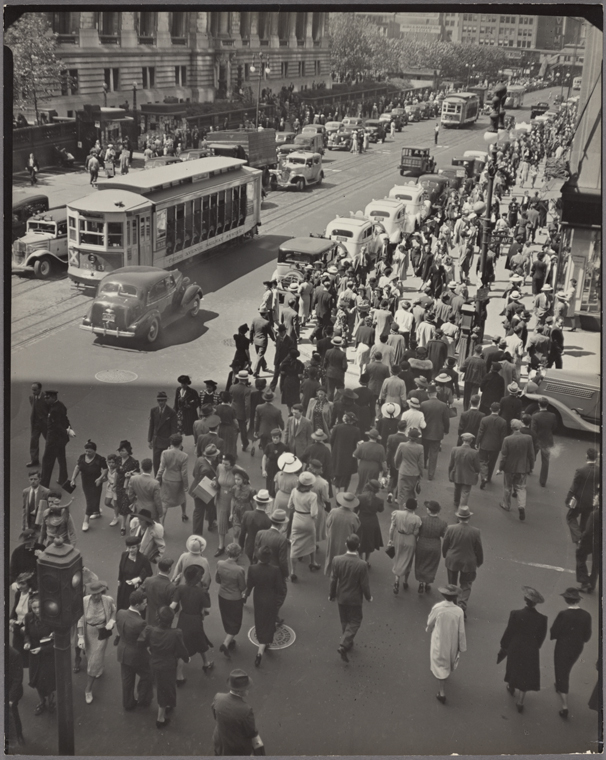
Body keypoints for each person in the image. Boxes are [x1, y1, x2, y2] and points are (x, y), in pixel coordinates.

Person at [138, 606, 190, 729]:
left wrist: (151, 651)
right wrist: (187, 658)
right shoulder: (176, 633)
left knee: (162, 686)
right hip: (168, 665)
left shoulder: (150, 630)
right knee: (165, 689)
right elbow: (182, 650)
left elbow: (141, 642)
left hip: (154, 662)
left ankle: (163, 705)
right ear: (171, 620)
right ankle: (160, 719)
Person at [498, 586, 548, 714]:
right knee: (526, 671)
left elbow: (509, 631)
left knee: (514, 666)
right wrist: (535, 646)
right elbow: (541, 637)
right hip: (531, 647)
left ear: (525, 599)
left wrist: (504, 645)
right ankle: (521, 701)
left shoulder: (515, 613)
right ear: (536, 603)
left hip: (516, 645)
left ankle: (511, 686)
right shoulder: (542, 619)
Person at [329, 533, 372, 663]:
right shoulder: (362, 564)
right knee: (356, 620)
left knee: (344, 619)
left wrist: (332, 594)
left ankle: (347, 640)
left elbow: (333, 580)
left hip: (341, 596)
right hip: (355, 598)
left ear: (346, 545)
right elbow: (364, 584)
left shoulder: (337, 560)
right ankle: (344, 643)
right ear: (358, 546)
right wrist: (368, 597)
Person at [550, 587, 592, 718]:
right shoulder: (586, 615)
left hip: (563, 646)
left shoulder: (563, 614)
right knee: (566, 668)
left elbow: (554, 631)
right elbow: (587, 635)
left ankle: (564, 706)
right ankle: (560, 684)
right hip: (577, 647)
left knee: (561, 670)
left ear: (566, 600)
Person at [170, 565, 214, 678]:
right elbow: (207, 609)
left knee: (182, 645)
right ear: (198, 578)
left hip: (183, 618)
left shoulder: (180, 589)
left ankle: (179, 675)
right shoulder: (202, 592)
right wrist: (202, 613)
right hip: (196, 619)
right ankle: (206, 663)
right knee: (200, 640)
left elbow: (173, 605)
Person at [77, 580, 117, 704]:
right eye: (93, 594)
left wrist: (111, 621)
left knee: (95, 659)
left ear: (102, 592)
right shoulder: (84, 601)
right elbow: (80, 619)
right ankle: (97, 668)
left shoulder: (108, 600)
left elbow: (114, 610)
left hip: (101, 633)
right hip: (89, 632)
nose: (96, 596)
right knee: (90, 656)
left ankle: (88, 689)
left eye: (98, 594)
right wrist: (81, 636)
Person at [426, 584, 466, 704]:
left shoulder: (438, 608)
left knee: (439, 662)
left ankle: (442, 691)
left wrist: (428, 629)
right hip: (452, 640)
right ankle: (445, 677)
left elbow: (430, 621)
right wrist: (461, 645)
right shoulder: (459, 611)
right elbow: (461, 630)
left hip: (439, 638)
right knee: (448, 659)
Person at [245, 545, 284, 667]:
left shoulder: (252, 569)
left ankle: (261, 644)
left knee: (260, 621)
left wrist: (246, 595)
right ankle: (261, 650)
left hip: (258, 599)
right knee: (269, 622)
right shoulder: (275, 570)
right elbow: (280, 589)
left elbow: (250, 585)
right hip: (271, 599)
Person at [115, 589, 153, 711]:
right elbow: (145, 641)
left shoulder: (120, 613)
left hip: (123, 651)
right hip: (137, 655)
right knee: (148, 675)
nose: (146, 605)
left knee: (127, 680)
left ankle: (128, 703)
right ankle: (143, 699)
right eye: (144, 603)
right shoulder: (141, 623)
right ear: (137, 605)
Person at [212, 669, 265, 756]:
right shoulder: (246, 710)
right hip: (235, 749)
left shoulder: (218, 697)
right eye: (246, 688)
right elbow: (251, 732)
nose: (248, 689)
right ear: (240, 691)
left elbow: (215, 716)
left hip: (219, 742)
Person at [442, 506, 483, 616]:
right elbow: (478, 549)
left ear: (458, 518)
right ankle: (462, 606)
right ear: (469, 517)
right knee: (466, 584)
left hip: (453, 560)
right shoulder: (475, 532)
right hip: (468, 562)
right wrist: (479, 561)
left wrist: (445, 554)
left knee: (452, 583)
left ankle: (453, 604)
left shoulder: (450, 528)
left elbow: (445, 544)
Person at [253, 509, 289, 622]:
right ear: (282, 524)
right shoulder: (282, 539)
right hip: (275, 571)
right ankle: (273, 615)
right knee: (281, 592)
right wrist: (285, 574)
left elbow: (256, 550)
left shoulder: (260, 533)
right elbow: (283, 560)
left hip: (260, 566)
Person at [496, 418, 535, 521]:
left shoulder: (507, 439)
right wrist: (531, 466)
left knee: (507, 487)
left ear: (511, 428)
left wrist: (500, 468)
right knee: (521, 488)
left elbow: (503, 456)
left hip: (509, 468)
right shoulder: (528, 438)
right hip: (522, 467)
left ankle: (506, 505)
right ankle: (521, 506)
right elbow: (531, 454)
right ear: (520, 427)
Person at [24, 594, 56, 715]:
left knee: (46, 680)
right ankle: (42, 701)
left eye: (39, 607)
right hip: (34, 654)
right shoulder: (28, 617)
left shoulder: (51, 618)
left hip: (47, 653)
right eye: (34, 608)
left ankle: (50, 699)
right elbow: (27, 633)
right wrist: (27, 642)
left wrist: (42, 649)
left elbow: (56, 639)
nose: (37, 610)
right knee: (36, 679)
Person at [216, 543, 247, 657]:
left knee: (226, 618)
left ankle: (229, 639)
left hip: (222, 595)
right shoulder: (239, 570)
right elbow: (242, 587)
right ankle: (226, 643)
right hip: (235, 598)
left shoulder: (220, 564)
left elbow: (217, 580)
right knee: (235, 621)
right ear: (238, 554)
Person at [70, 440, 107, 532]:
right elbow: (77, 467)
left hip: (96, 481)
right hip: (85, 481)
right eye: (86, 451)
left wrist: (100, 478)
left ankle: (85, 521)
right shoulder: (82, 457)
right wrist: (73, 478)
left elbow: (105, 469)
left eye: (89, 451)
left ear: (94, 451)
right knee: (89, 498)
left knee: (93, 498)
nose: (87, 453)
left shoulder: (100, 459)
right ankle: (96, 511)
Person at [565, 448, 599, 544]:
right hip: (592, 501)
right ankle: (582, 540)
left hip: (579, 500)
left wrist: (568, 499)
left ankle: (578, 538)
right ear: (596, 458)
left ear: (587, 456)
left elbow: (574, 487)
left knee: (570, 517)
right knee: (584, 521)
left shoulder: (581, 470)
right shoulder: (600, 470)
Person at [40, 389, 73, 488]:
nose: (46, 399)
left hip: (54, 440)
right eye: (45, 398)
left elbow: (57, 426)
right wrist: (69, 430)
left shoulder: (54, 409)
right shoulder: (60, 405)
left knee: (47, 461)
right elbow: (65, 419)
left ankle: (44, 484)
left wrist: (67, 430)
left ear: (54, 397)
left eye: (48, 398)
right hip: (61, 439)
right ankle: (63, 479)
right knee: (61, 458)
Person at [389, 497, 422, 594]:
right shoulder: (417, 519)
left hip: (398, 538)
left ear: (405, 505)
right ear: (415, 508)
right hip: (410, 539)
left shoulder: (397, 513)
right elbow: (416, 533)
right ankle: (405, 581)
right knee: (408, 560)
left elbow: (391, 528)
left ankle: (396, 580)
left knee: (398, 558)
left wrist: (390, 540)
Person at [415, 500, 448, 594]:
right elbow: (444, 536)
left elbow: (417, 532)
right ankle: (427, 583)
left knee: (420, 563)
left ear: (429, 510)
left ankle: (420, 582)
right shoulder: (443, 523)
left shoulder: (422, 519)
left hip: (422, 544)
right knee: (432, 565)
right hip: (435, 546)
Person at [420, 385, 450, 480]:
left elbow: (421, 418)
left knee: (424, 450)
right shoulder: (443, 405)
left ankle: (424, 464)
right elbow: (446, 420)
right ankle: (431, 474)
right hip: (437, 432)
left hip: (425, 431)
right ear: (436, 393)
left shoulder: (423, 404)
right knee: (434, 453)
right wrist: (446, 430)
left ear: (428, 394)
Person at [476, 402, 508, 488]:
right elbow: (503, 436)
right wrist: (502, 446)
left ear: (490, 409)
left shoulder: (484, 419)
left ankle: (484, 477)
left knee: (482, 461)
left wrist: (477, 442)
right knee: (492, 462)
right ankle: (488, 477)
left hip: (484, 444)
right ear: (499, 410)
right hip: (495, 446)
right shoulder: (503, 422)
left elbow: (480, 432)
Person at [116, 535, 153, 610]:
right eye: (129, 547)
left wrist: (139, 578)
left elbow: (149, 572)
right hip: (124, 586)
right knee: (122, 605)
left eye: (133, 547)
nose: (130, 550)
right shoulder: (124, 555)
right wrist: (119, 580)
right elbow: (121, 568)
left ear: (138, 547)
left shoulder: (143, 558)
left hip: (135, 588)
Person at [148, 392, 178, 476]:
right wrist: (149, 440)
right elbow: (151, 425)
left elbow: (173, 428)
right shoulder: (153, 410)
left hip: (166, 441)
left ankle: (164, 478)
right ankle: (157, 478)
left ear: (165, 401)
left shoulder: (171, 412)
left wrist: (172, 443)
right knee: (156, 461)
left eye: (162, 401)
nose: (161, 402)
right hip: (156, 441)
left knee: (165, 461)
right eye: (159, 401)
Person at [354, 479, 384, 565]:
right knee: (369, 541)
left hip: (361, 520)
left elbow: (355, 510)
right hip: (373, 521)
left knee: (360, 540)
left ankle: (360, 559)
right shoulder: (379, 500)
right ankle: (367, 560)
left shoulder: (360, 497)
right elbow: (381, 510)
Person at [114, 440, 140, 536]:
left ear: (128, 451)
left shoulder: (134, 462)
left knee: (126, 504)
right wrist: (114, 484)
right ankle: (130, 518)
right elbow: (116, 472)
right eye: (120, 450)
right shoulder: (118, 459)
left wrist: (130, 474)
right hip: (119, 486)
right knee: (121, 503)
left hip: (128, 486)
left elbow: (138, 473)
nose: (121, 452)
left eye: (123, 450)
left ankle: (123, 526)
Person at [530, 397, 557, 488]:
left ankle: (529, 469)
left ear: (538, 405)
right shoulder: (552, 415)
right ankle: (543, 481)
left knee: (532, 455)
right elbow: (554, 427)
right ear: (547, 405)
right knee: (545, 461)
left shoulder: (535, 416)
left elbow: (533, 430)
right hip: (547, 439)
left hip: (537, 439)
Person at [239, 490, 273, 563]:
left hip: (249, 545)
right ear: (266, 504)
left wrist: (241, 545)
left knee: (251, 563)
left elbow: (242, 532)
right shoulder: (267, 519)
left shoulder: (247, 514)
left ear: (256, 502)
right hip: (261, 548)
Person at [448, 433, 481, 508]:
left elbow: (451, 464)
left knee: (457, 488)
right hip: (468, 476)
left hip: (457, 474)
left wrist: (450, 474)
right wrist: (476, 473)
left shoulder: (454, 449)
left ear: (462, 440)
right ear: (471, 440)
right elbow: (477, 467)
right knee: (465, 492)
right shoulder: (474, 453)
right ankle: (462, 509)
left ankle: (456, 502)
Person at [330, 412, 361, 492]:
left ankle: (337, 493)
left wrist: (334, 449)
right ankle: (344, 493)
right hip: (349, 456)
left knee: (337, 475)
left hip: (338, 454)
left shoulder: (337, 427)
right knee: (347, 477)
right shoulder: (356, 430)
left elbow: (331, 440)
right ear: (352, 421)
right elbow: (357, 443)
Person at [214, 453, 238, 556]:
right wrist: (214, 482)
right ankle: (221, 546)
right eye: (223, 463)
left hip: (233, 498)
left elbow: (244, 484)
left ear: (232, 464)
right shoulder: (219, 467)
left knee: (235, 522)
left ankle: (235, 548)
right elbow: (216, 478)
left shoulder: (238, 471)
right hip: (221, 498)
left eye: (226, 464)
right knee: (221, 521)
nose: (224, 466)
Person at [141, 557, 176, 625]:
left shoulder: (148, 580)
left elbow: (139, 593)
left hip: (149, 617)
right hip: (163, 621)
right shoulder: (171, 587)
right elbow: (174, 607)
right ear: (169, 569)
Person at [394, 427, 424, 504]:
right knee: (410, 492)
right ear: (417, 438)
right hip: (414, 472)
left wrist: (397, 466)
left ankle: (401, 510)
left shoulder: (402, 445)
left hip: (403, 470)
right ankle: (409, 508)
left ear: (408, 436)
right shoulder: (420, 447)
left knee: (401, 493)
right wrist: (421, 473)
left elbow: (396, 458)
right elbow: (420, 463)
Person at [128, 458, 163, 522]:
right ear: (151, 468)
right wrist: (160, 512)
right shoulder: (155, 483)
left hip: (139, 508)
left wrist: (135, 502)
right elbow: (157, 500)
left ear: (142, 467)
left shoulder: (133, 479)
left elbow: (130, 495)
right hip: (151, 510)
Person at [353, 429, 387, 494]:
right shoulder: (380, 447)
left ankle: (359, 495)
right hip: (374, 468)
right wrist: (385, 471)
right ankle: (369, 497)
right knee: (372, 485)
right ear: (377, 438)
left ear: (369, 436)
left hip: (363, 466)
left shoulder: (363, 445)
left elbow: (355, 455)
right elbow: (383, 461)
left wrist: (358, 446)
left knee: (361, 483)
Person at [10, 572, 35, 658]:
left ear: (29, 584)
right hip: (17, 627)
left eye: (23, 583)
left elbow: (35, 614)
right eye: (18, 583)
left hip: (28, 629)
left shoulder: (33, 595)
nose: (19, 586)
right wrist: (11, 619)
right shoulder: (18, 594)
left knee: (28, 655)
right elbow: (15, 608)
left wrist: (27, 625)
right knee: (16, 654)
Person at [231, 372, 253, 451]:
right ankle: (245, 444)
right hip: (242, 413)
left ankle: (232, 445)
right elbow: (247, 405)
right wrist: (247, 416)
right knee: (243, 430)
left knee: (232, 429)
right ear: (246, 379)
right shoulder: (247, 390)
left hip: (233, 411)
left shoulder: (232, 387)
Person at [8, 645, 25, 747]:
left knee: (13, 713)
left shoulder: (14, 654)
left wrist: (10, 698)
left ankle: (18, 735)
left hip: (11, 692)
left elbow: (18, 679)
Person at [28, 381, 48, 467]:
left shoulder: (46, 397)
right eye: (32, 389)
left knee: (50, 441)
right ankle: (34, 460)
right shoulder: (31, 397)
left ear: (40, 389)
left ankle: (51, 458)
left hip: (45, 424)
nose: (33, 392)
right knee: (33, 441)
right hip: (36, 424)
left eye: (35, 390)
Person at [460, 347, 486, 411]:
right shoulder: (483, 362)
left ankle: (465, 409)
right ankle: (472, 409)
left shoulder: (469, 359)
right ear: (481, 352)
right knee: (474, 396)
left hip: (468, 379)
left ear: (474, 350)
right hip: (477, 381)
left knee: (466, 396)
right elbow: (484, 373)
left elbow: (461, 369)